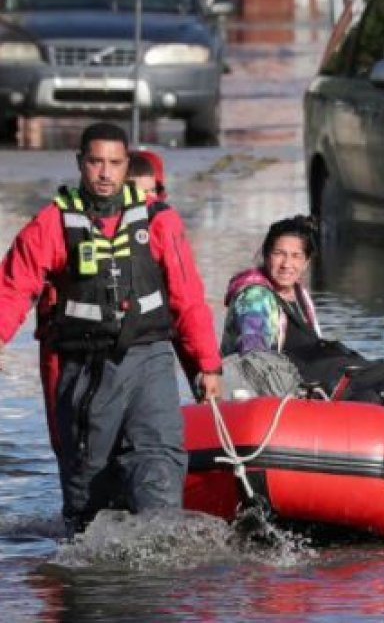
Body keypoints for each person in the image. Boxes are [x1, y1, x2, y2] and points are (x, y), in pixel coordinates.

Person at [0, 122, 221, 535]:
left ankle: (160, 549)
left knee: (158, 456)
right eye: (96, 162)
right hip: (85, 368)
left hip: (150, 357)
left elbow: (187, 295)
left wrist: (206, 364)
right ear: (80, 163)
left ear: (126, 166)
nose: (105, 173)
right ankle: (91, 563)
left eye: (114, 163)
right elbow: (13, 286)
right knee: (89, 477)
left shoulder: (159, 221)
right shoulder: (51, 223)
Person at [36, 148, 171, 457]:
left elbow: (184, 304)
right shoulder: (64, 226)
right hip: (77, 353)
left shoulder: (163, 228)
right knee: (76, 446)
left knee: (150, 442)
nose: (147, 200)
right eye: (141, 192)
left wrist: (203, 368)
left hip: (143, 353)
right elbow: (18, 287)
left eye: (154, 192)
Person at [221, 215, 322, 357]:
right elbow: (253, 354)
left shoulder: (300, 293)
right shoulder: (254, 298)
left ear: (306, 262)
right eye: (279, 254)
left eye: (296, 256)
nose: (286, 264)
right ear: (266, 255)